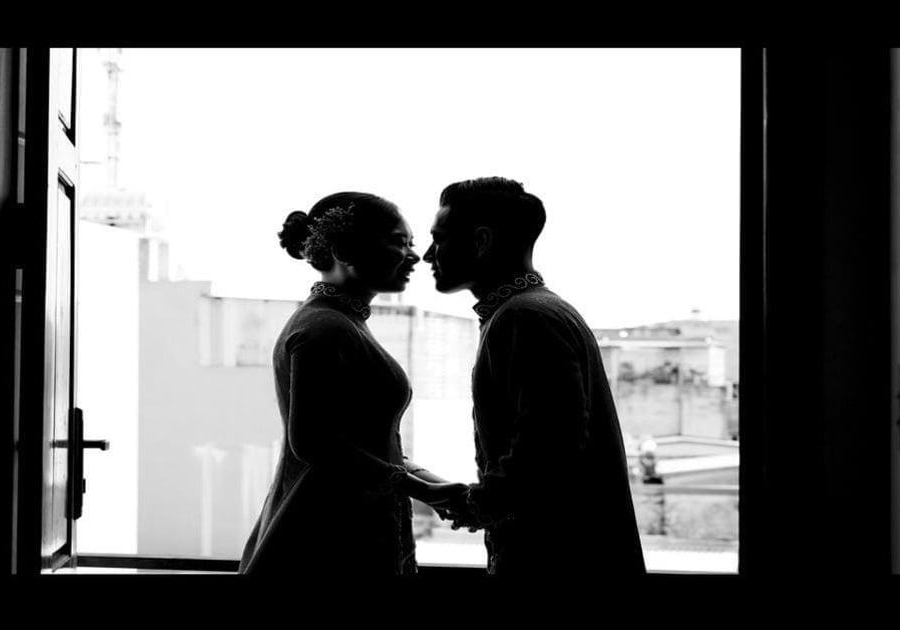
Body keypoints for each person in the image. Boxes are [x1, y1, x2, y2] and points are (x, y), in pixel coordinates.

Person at [423, 177, 646, 576]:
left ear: (481, 241)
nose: (427, 255)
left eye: (438, 239)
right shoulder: (534, 310)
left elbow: (549, 445)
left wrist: (480, 504)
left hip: (557, 562)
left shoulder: (525, 317)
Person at [238, 192, 467, 575]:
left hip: (344, 520)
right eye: (399, 241)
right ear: (345, 249)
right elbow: (313, 442)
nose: (414, 255)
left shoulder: (338, 323)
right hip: (327, 534)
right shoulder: (323, 329)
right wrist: (424, 490)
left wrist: (438, 489)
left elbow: (369, 445)